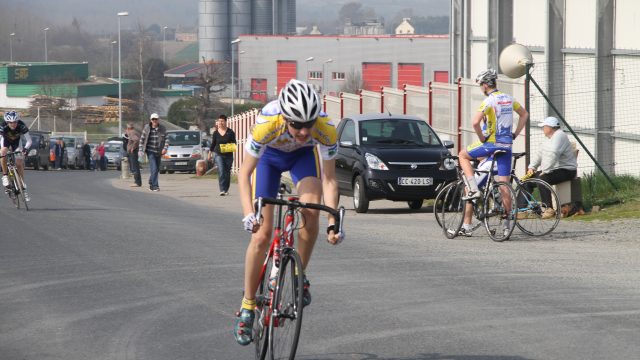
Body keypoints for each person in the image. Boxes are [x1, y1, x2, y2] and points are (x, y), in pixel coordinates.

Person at [234, 79, 345, 346]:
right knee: (261, 236)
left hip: (302, 159)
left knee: (311, 210)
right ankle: (248, 306)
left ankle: (299, 277)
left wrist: (333, 220)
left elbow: (330, 180)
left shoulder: (326, 129)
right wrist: (249, 213)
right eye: (296, 124)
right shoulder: (267, 124)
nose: (304, 131)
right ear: (285, 117)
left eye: (309, 124)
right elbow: (244, 173)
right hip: (269, 161)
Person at [457, 69, 529, 235]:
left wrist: (482, 138)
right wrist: (516, 133)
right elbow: (524, 114)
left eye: (480, 85)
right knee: (505, 186)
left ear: (484, 85)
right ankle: (506, 227)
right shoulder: (509, 98)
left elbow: (475, 122)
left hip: (491, 144)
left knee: (462, 154)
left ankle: (473, 189)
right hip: (507, 146)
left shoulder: (489, 101)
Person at [524, 116, 578, 219]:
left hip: (567, 170)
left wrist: (545, 170)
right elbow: (540, 153)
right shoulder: (548, 138)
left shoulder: (559, 135)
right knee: (526, 180)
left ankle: (548, 208)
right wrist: (532, 167)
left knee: (542, 179)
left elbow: (554, 154)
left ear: (551, 127)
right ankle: (520, 209)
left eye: (544, 126)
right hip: (554, 169)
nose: (543, 128)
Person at [1, 111, 33, 201]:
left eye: (15, 122)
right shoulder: (2, 126)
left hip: (17, 143)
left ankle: (23, 187)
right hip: (5, 142)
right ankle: (5, 176)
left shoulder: (22, 125)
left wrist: (25, 149)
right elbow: (0, 139)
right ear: (7, 122)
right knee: (2, 152)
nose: (13, 124)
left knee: (19, 163)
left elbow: (29, 141)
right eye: (11, 122)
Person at [209, 114, 237, 196]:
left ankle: (226, 189)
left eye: (222, 121)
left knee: (227, 172)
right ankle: (222, 189)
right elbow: (213, 144)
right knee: (221, 171)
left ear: (225, 122)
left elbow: (234, 143)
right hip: (218, 155)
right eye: (219, 121)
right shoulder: (215, 133)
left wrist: (225, 148)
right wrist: (210, 153)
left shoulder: (230, 132)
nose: (220, 123)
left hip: (228, 156)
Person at [138, 113, 167, 191]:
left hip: (159, 151)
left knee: (157, 169)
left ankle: (151, 181)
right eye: (153, 119)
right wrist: (140, 149)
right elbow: (142, 139)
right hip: (150, 151)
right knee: (154, 169)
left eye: (156, 119)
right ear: (151, 120)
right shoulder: (147, 128)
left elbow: (167, 139)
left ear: (158, 120)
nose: (154, 121)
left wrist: (165, 148)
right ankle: (155, 186)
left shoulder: (162, 128)